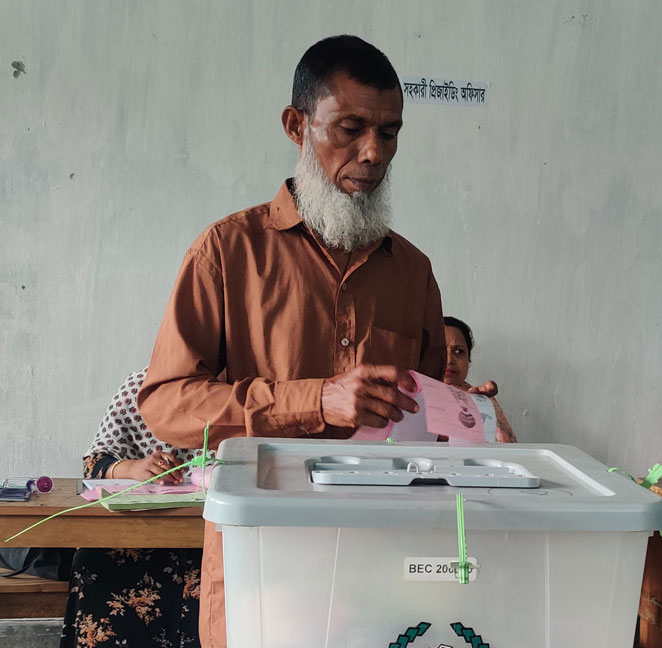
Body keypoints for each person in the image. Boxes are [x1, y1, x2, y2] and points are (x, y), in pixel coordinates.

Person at [137, 36, 450, 647]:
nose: (372, 153)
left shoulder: (412, 271)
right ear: (296, 125)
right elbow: (167, 403)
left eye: (389, 133)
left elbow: (429, 418)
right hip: (265, 565)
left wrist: (473, 415)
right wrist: (315, 400)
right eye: (350, 128)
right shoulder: (227, 253)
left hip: (382, 573)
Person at [60, 368, 203, 648]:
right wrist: (135, 467)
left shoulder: (246, 393)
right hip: (135, 533)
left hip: (212, 533)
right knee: (93, 562)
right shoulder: (144, 384)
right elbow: (95, 465)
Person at [442, 316, 516, 443]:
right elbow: (394, 442)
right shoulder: (406, 400)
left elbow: (507, 456)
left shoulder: (482, 402)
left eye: (458, 351)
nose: (449, 360)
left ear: (468, 361)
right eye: (440, 350)